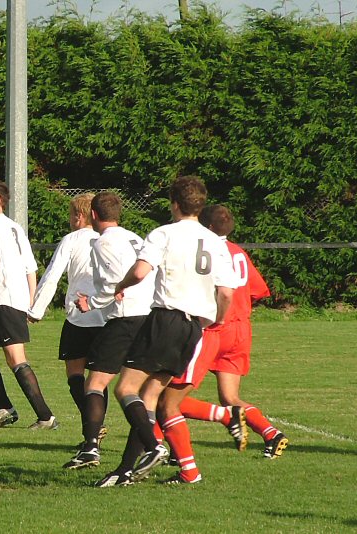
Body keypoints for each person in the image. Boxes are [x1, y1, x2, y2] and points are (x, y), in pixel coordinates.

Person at [94, 175, 237, 488]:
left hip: (165, 319)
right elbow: (226, 293)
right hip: (193, 329)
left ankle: (154, 445)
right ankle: (125, 471)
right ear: (200, 206)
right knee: (148, 397)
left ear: (174, 204)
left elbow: (141, 271)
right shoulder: (215, 241)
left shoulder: (164, 233)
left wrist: (121, 285)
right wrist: (216, 320)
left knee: (125, 389)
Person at [178, 205, 288, 459]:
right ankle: (271, 433)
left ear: (205, 226)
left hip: (214, 328)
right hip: (241, 329)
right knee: (230, 396)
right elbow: (258, 290)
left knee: (170, 392)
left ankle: (164, 447)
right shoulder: (238, 252)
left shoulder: (206, 250)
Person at [62, 191, 154, 470]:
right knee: (143, 390)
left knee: (95, 384)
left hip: (126, 319)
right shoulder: (135, 237)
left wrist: (90, 301)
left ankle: (91, 448)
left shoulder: (102, 242)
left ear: (93, 215)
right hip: (149, 316)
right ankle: (165, 448)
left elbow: (116, 284)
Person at [0, 179, 57, 430]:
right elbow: (31, 267)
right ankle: (5, 408)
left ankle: (46, 416)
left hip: (4, 301)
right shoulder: (15, 227)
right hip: (9, 303)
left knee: (16, 358)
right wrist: (30, 301)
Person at [28, 193, 104, 448]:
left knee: (75, 375)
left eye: (72, 215)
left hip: (79, 318)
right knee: (99, 379)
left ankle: (93, 428)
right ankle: (95, 430)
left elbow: (52, 276)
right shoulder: (108, 239)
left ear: (79, 216)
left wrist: (36, 310)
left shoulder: (72, 240)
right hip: (107, 317)